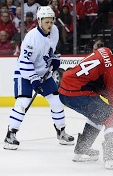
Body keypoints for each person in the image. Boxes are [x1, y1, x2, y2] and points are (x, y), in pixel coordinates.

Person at [58, 37, 113, 169]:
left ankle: (82, 150)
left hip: (66, 89)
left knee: (99, 114)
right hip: (78, 94)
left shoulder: (104, 50)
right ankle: (111, 158)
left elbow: (105, 88)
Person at [3, 6, 74, 150]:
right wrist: (34, 80)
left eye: (51, 21)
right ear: (39, 21)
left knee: (56, 100)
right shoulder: (31, 38)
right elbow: (24, 63)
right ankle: (10, 134)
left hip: (43, 73)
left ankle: (61, 132)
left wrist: (55, 58)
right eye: (46, 22)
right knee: (23, 102)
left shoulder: (54, 31)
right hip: (24, 73)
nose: (50, 24)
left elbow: (53, 49)